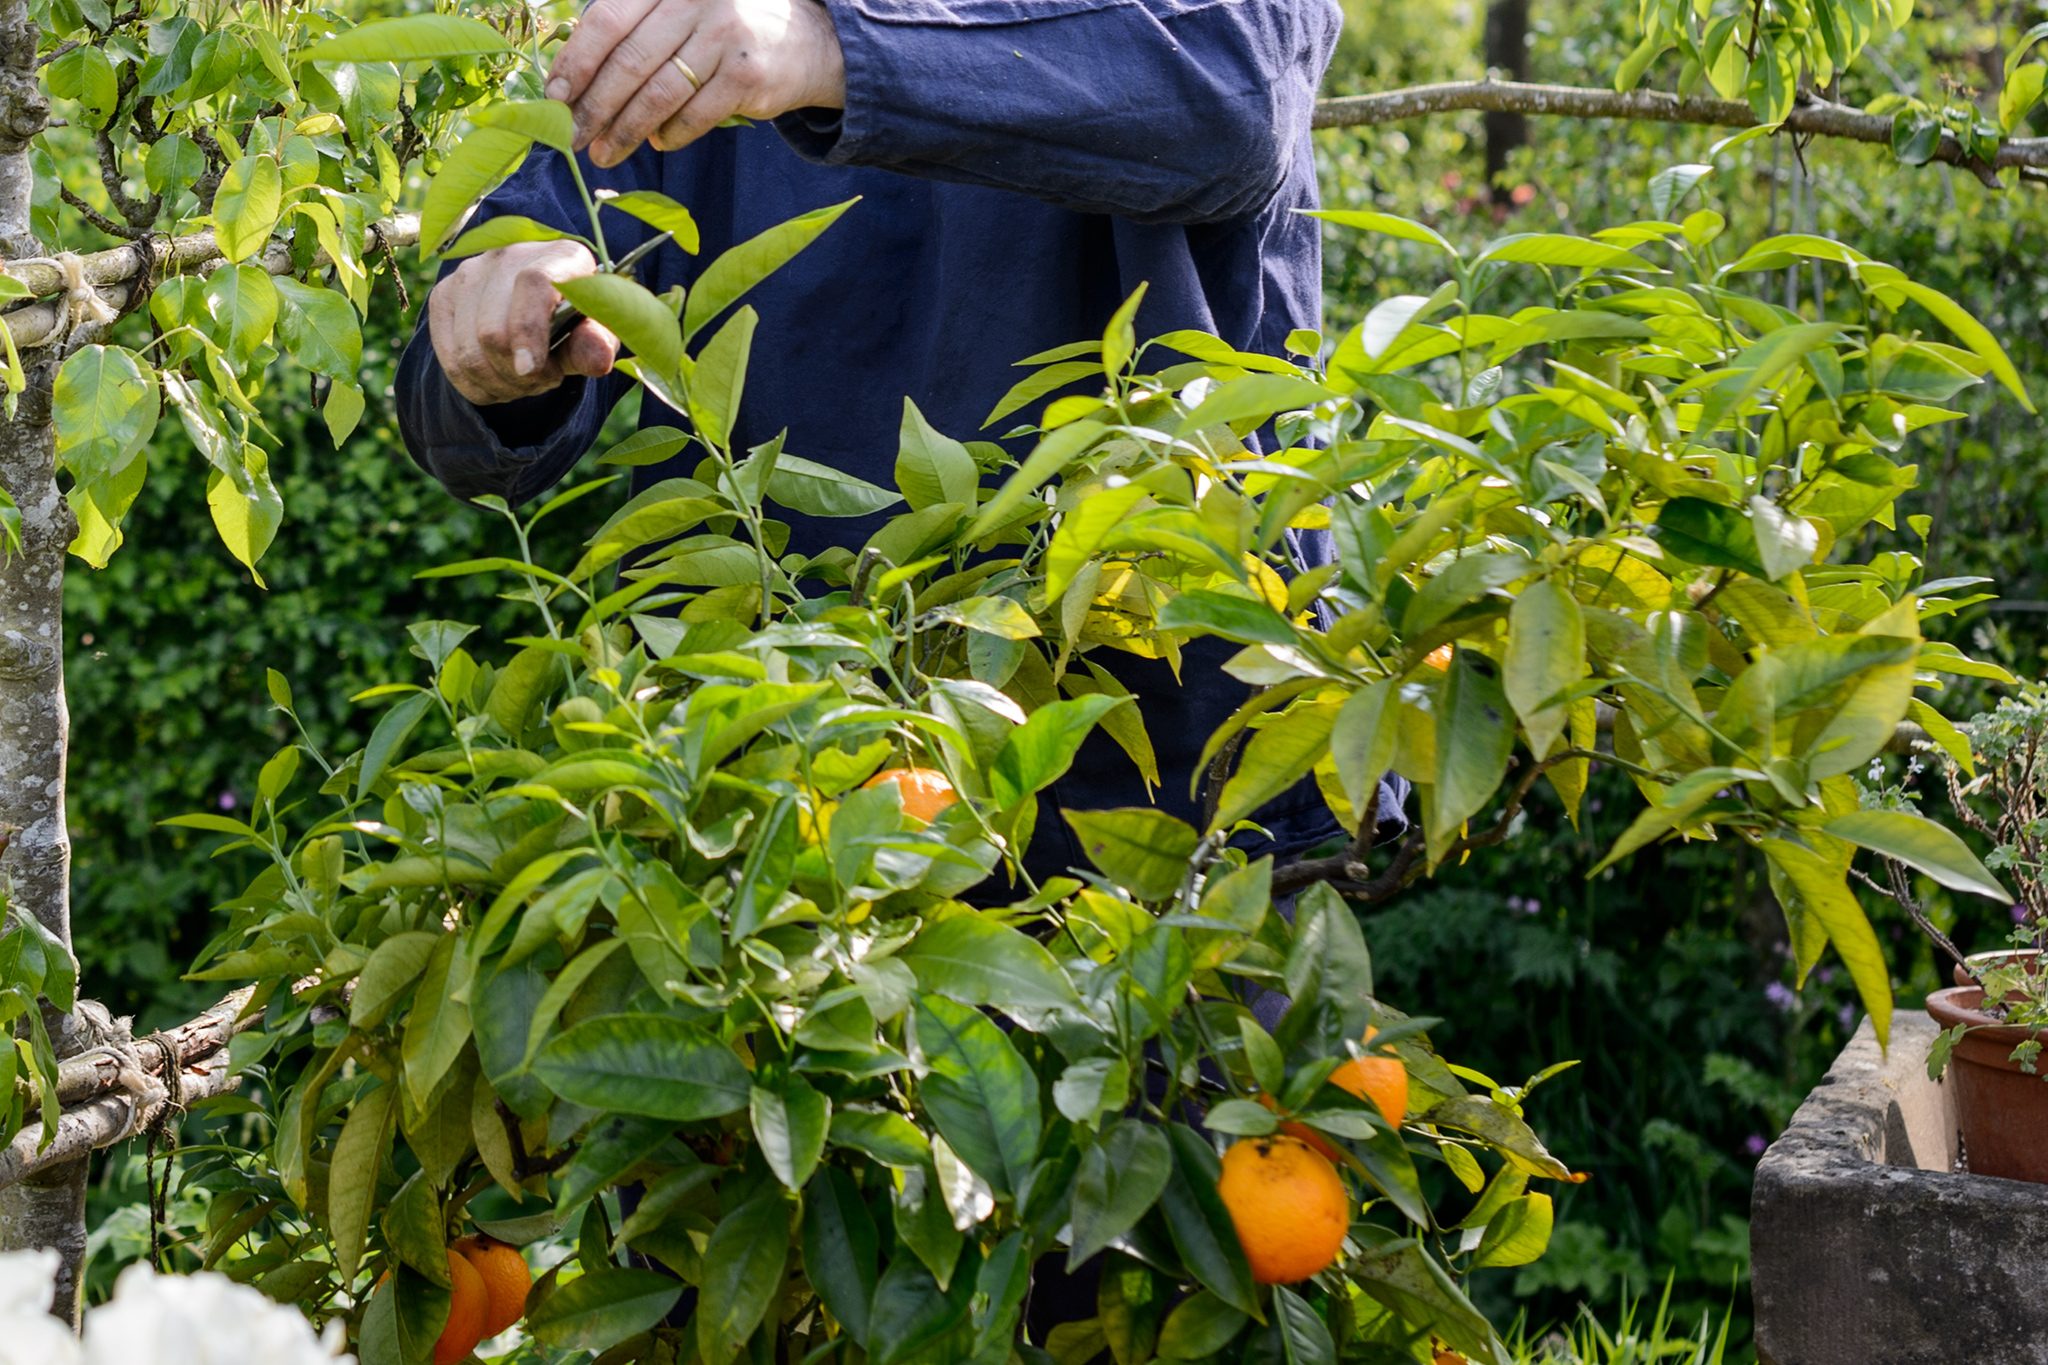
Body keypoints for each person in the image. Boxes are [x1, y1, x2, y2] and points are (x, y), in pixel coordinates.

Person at [396, 0, 1396, 875]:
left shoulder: (761, 26)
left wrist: (833, 47)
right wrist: (500, 319)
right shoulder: (700, 16)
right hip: (783, 821)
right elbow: (461, 408)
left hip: (1156, 805)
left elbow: (1231, 87)